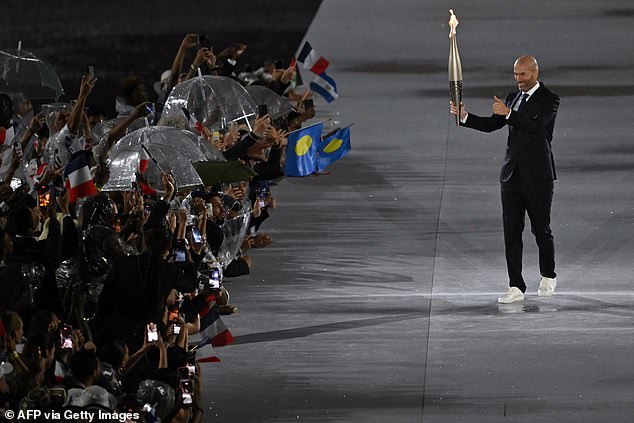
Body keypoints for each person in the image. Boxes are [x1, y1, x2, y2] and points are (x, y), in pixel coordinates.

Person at [450, 55, 560, 304]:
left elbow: (536, 125)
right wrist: (466, 117)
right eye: (515, 74)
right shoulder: (513, 97)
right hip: (511, 177)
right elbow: (492, 125)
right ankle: (516, 286)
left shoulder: (549, 100)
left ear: (535, 72)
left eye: (523, 74)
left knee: (540, 229)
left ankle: (548, 274)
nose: (519, 79)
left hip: (539, 177)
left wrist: (509, 113)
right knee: (511, 232)